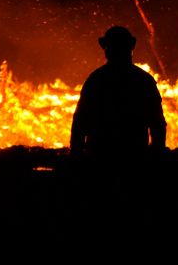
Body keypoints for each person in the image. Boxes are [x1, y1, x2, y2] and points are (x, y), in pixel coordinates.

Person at [69, 25, 167, 167]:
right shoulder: (143, 80)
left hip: (100, 158)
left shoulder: (97, 79)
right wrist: (157, 154)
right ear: (131, 47)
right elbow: (157, 123)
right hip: (134, 157)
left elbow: (80, 121)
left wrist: (76, 154)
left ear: (106, 49)